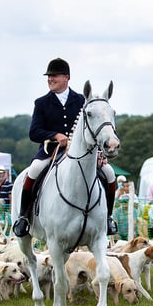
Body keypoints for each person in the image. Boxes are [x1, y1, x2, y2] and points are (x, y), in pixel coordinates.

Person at [13, 58, 118, 237]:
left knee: (109, 173)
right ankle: (24, 217)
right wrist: (55, 135)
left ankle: (107, 217)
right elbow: (34, 132)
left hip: (82, 152)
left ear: (66, 77)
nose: (50, 79)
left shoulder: (80, 100)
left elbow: (93, 128)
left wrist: (100, 152)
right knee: (34, 170)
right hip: (50, 151)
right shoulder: (41, 103)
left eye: (54, 76)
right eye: (49, 76)